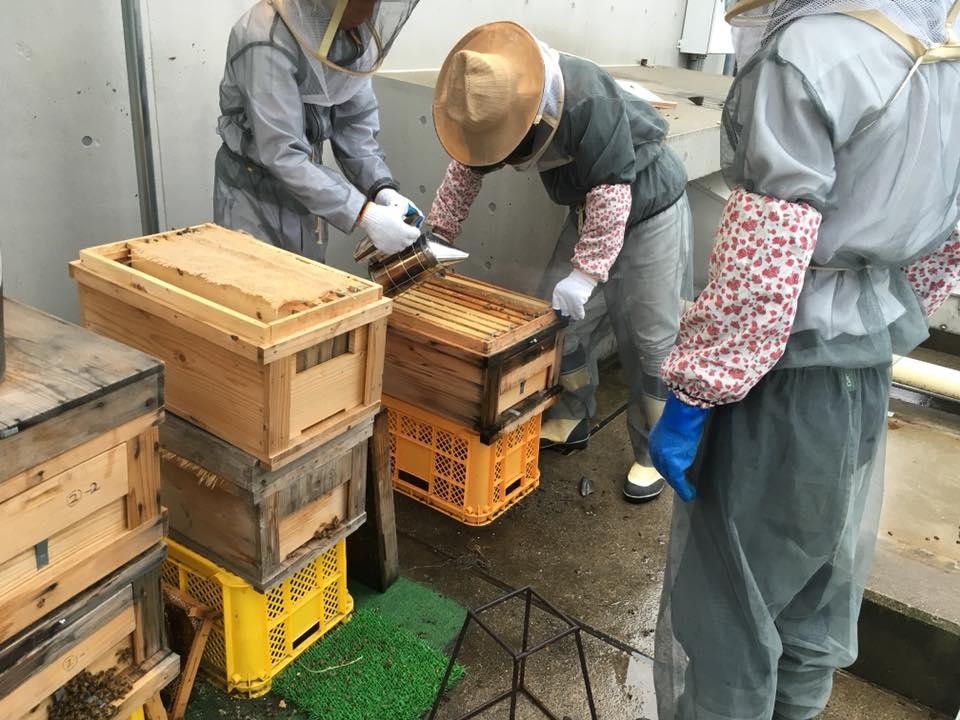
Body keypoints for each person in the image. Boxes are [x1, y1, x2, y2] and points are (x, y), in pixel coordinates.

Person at [650, 1, 960, 718]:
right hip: (864, 363)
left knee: (730, 607)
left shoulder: (813, 50)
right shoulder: (939, 54)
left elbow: (765, 253)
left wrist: (698, 390)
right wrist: (880, 316)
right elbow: (944, 243)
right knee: (812, 592)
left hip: (782, 378)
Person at [426, 22, 693, 502]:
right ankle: (572, 415)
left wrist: (586, 272)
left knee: (654, 338)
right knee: (560, 323)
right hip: (591, 209)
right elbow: (466, 172)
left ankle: (654, 452)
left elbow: (613, 190)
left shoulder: (588, 96)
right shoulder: (493, 99)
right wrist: (435, 236)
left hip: (650, 205)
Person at [214, 0, 422, 263]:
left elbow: (354, 124)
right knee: (257, 290)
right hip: (254, 197)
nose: (369, 12)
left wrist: (381, 189)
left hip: (309, 188)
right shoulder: (265, 37)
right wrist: (363, 214)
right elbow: (282, 153)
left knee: (309, 290)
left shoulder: (353, 33)